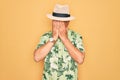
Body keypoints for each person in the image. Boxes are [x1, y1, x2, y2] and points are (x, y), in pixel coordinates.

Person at [34, 4, 85, 80]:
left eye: (61, 21)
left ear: (67, 22)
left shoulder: (76, 37)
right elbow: (37, 57)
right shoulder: (46, 36)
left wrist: (64, 38)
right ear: (52, 21)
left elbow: (80, 59)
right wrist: (53, 38)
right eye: (56, 20)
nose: (58, 24)